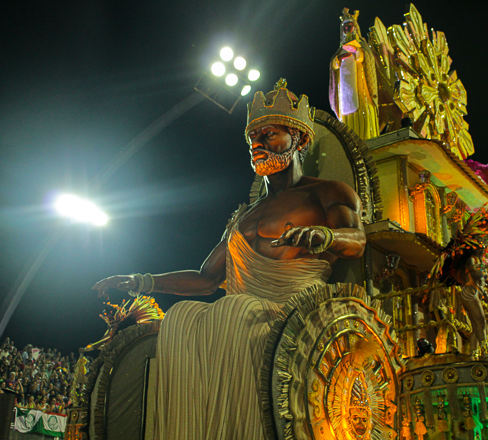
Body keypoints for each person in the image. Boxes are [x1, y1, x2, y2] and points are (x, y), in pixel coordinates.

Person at [93, 79, 367, 440]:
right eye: (253, 137)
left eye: (270, 135)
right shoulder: (243, 216)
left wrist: (326, 236)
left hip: (289, 312)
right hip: (237, 309)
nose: (258, 144)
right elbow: (207, 280)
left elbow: (358, 241)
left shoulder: (327, 193)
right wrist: (142, 281)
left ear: (299, 140)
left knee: (232, 313)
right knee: (180, 317)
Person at [329, 8, 379, 140]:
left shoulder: (361, 45)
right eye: (344, 27)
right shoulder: (340, 49)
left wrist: (356, 51)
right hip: (345, 95)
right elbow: (333, 66)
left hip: (361, 92)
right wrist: (338, 60)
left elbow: (366, 58)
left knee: (363, 118)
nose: (347, 29)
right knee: (347, 121)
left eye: (349, 26)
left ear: (355, 28)